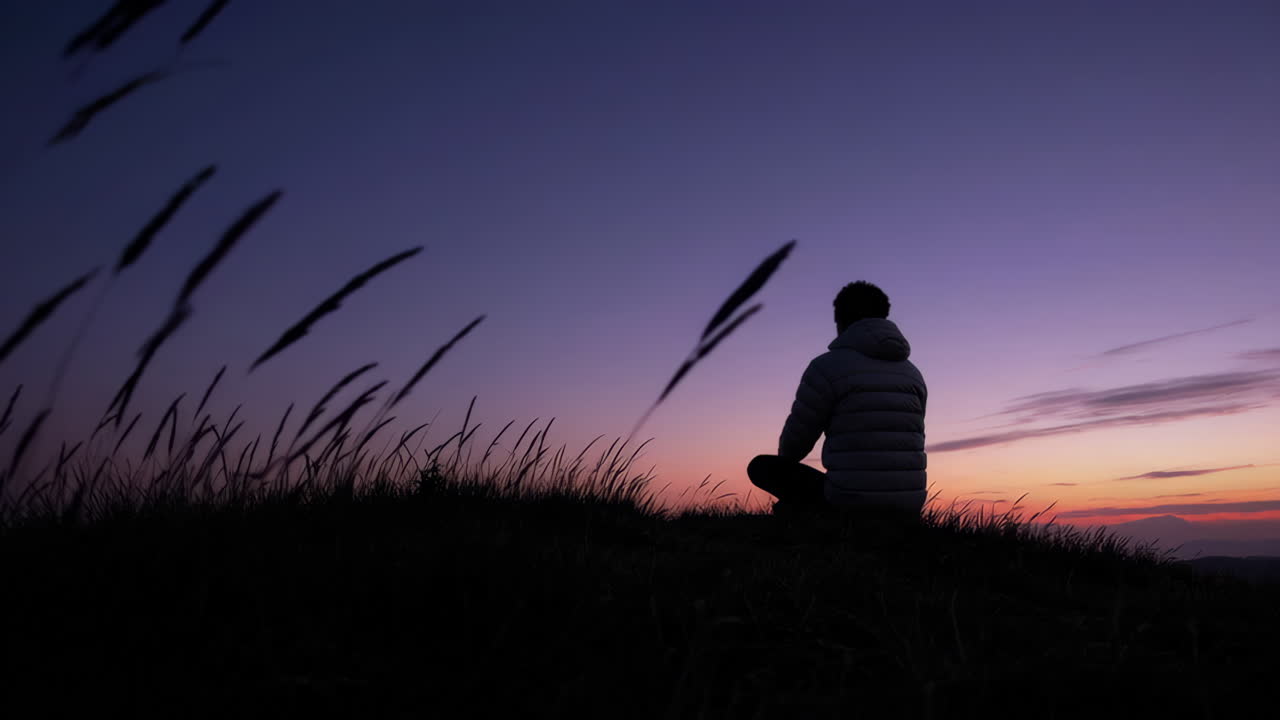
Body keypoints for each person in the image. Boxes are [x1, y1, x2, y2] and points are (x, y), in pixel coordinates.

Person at [749, 281, 927, 518]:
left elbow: (795, 445)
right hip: (908, 509)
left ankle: (803, 514)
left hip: (848, 504)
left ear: (841, 320)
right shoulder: (913, 373)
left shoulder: (826, 367)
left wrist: (787, 467)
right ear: (884, 316)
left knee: (761, 467)